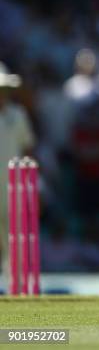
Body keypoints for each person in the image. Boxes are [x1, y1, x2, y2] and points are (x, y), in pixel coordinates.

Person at [0, 63, 35, 291]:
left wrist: (35, 187)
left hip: (12, 188)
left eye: (5, 89)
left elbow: (28, 151)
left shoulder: (18, 114)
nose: (3, 94)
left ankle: (17, 288)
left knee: (14, 242)